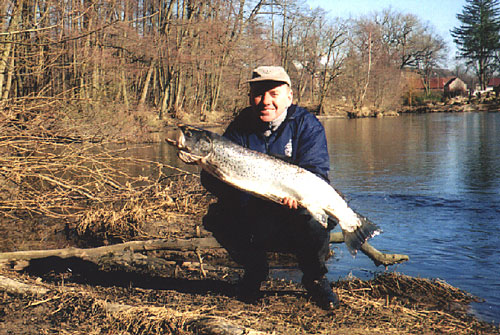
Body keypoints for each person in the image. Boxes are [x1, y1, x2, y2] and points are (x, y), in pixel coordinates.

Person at [201, 65, 339, 310]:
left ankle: (315, 278)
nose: (266, 101)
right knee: (217, 217)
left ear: (289, 97)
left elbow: (317, 173)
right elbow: (214, 184)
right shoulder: (240, 126)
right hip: (255, 213)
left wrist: (297, 198)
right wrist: (207, 165)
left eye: (274, 94)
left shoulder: (307, 125)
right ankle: (255, 271)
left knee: (317, 217)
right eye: (258, 94)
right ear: (250, 97)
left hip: (295, 211)